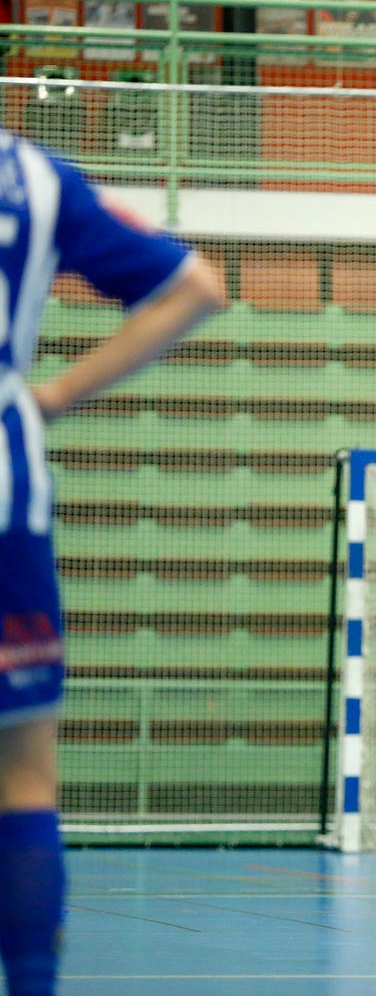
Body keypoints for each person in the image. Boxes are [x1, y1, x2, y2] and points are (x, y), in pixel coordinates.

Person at [0, 128, 226, 996]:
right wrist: (50, 397)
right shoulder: (29, 178)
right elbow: (195, 287)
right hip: (5, 480)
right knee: (20, 769)